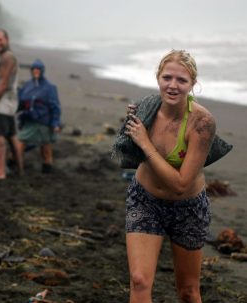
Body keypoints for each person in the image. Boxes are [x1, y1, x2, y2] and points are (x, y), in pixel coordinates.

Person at [123, 50, 216, 302]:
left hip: (188, 207)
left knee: (187, 290)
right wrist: (131, 128)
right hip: (145, 200)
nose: (173, 85)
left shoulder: (202, 123)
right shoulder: (146, 110)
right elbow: (126, 153)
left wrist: (144, 142)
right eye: (167, 77)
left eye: (182, 80)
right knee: (139, 280)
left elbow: (180, 184)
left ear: (192, 84)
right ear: (158, 78)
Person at [0, 29, 23, 180]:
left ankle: (1, 172)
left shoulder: (8, 57)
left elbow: (3, 83)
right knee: (12, 136)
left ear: (7, 39)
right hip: (9, 102)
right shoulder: (5, 57)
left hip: (4, 102)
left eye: (0, 40)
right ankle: (20, 170)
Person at [17, 59, 61, 174]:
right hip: (29, 120)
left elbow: (55, 107)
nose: (36, 71)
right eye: (34, 69)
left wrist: (55, 123)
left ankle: (47, 172)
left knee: (45, 149)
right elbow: (19, 103)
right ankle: (16, 167)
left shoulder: (49, 88)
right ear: (31, 70)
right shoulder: (27, 86)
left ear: (42, 71)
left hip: (43, 122)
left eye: (38, 69)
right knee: (19, 143)